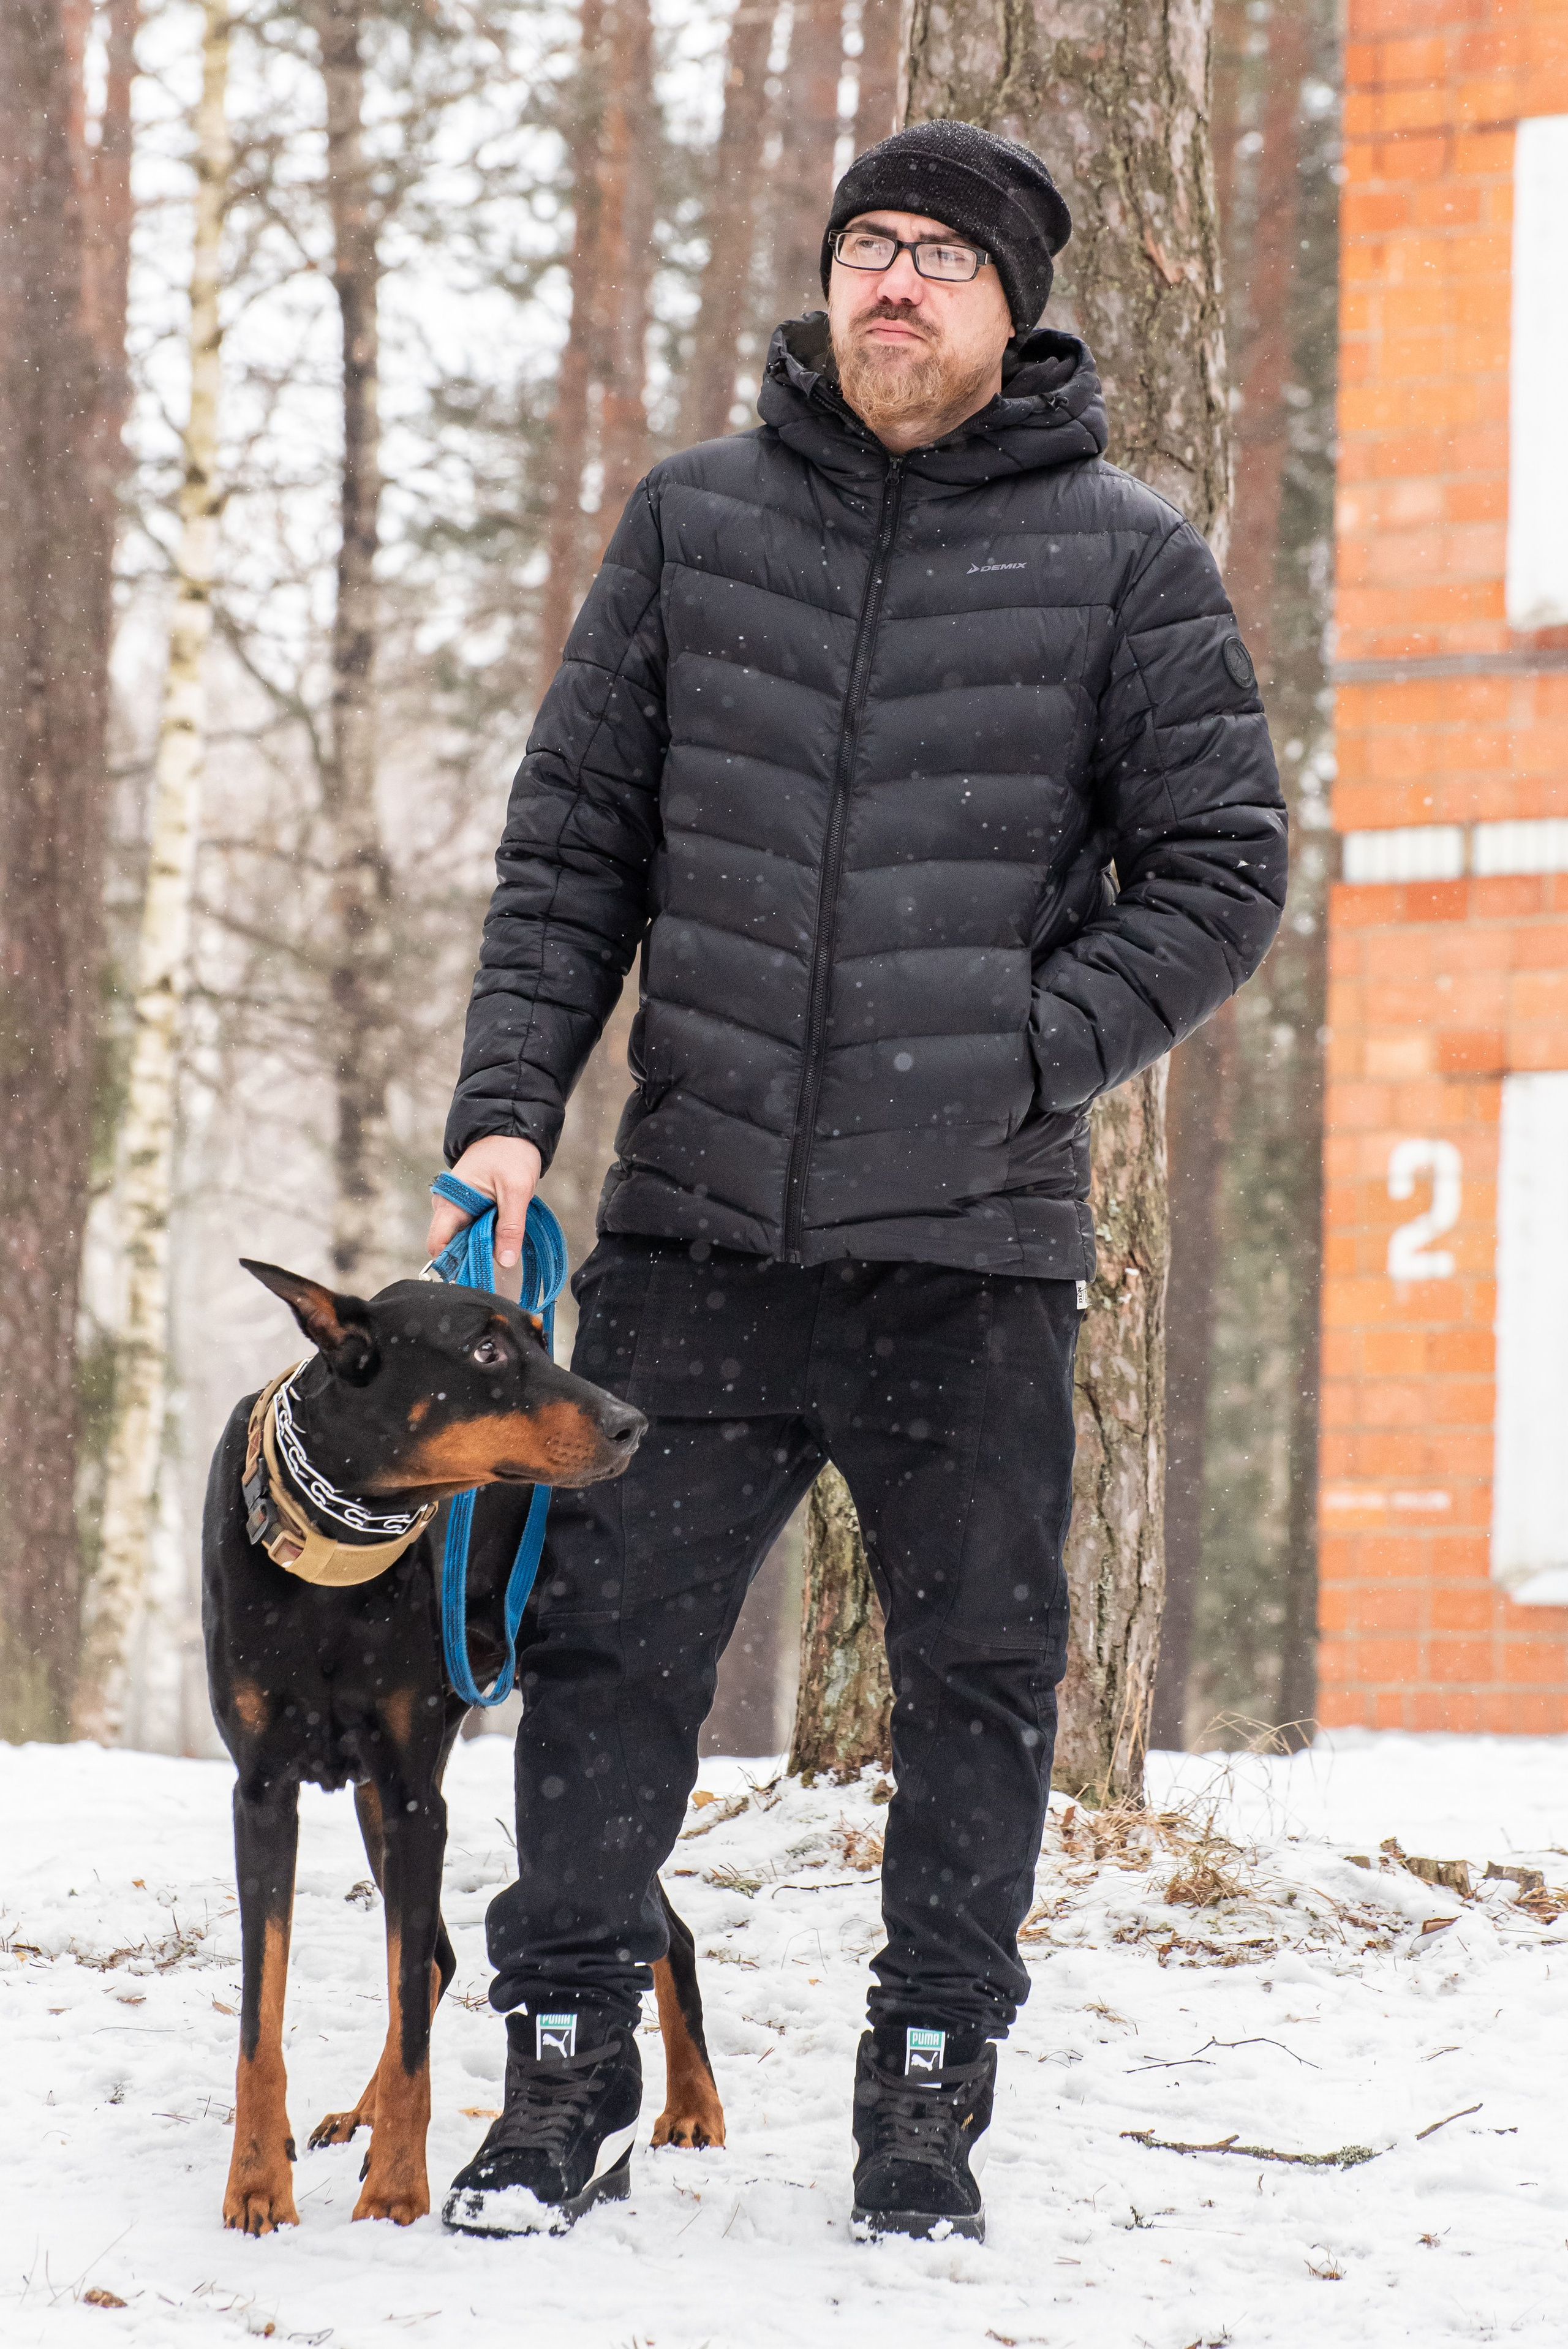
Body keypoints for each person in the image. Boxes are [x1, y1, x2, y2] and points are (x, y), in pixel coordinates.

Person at [432, 118, 1287, 2244]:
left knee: (979, 1681)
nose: (894, 283)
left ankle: (924, 2095)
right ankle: (560, 2069)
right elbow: (572, 852)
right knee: (610, 1651)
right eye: (867, 247)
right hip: (696, 1228)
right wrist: (508, 1111)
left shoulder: (1124, 556)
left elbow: (1222, 870)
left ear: (1017, 305)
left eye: (941, 258)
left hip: (966, 1255)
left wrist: (1021, 1052)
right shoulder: (692, 528)